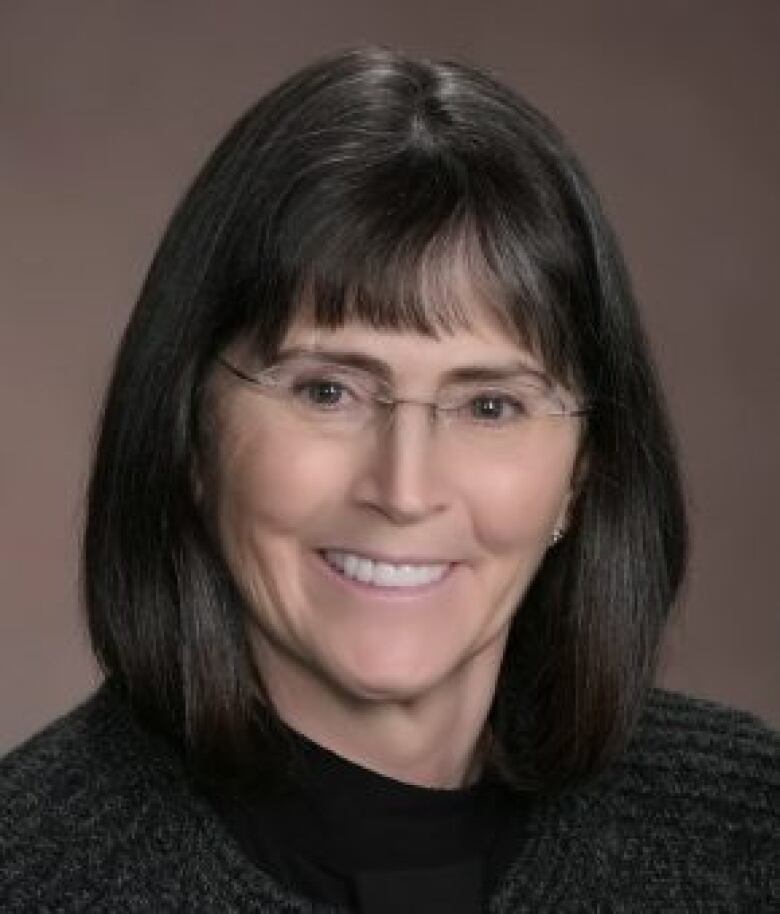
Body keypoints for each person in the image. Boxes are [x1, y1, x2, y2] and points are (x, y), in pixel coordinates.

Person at [1, 47, 777, 913]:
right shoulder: (30, 871)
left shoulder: (749, 837)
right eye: (328, 390)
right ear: (189, 432)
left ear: (582, 474)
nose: (404, 490)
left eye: (489, 406)